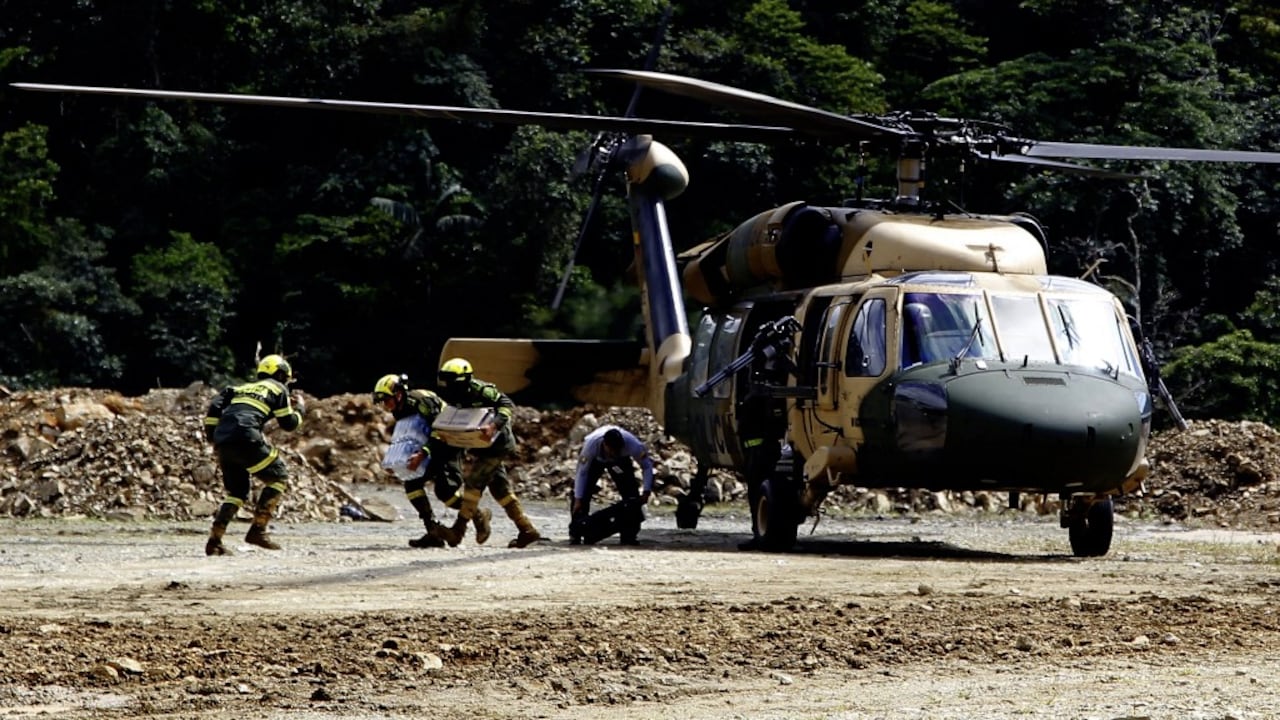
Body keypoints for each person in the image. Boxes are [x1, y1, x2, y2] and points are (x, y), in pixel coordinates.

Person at [434, 357, 541, 548]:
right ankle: (527, 530)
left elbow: (507, 405)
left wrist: (494, 425)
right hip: (481, 446)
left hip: (497, 445)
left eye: (452, 382)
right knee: (501, 490)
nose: (448, 386)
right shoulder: (454, 395)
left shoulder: (482, 390)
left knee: (474, 483)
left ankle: (458, 531)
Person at [202, 354, 304, 555]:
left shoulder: (238, 388)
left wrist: (213, 437)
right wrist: (300, 408)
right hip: (247, 437)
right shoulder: (278, 388)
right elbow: (289, 424)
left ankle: (215, 540)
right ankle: (258, 530)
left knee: (237, 492)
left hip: (224, 441)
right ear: (282, 374)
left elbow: (215, 406)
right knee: (278, 477)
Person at [373, 373, 488, 549]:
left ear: (398, 394)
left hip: (449, 443)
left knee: (446, 491)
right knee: (411, 484)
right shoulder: (399, 409)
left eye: (386, 400)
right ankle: (433, 532)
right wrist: (396, 461)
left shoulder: (421, 401)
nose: (386, 406)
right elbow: (408, 436)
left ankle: (478, 515)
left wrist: (422, 454)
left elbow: (439, 430)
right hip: (428, 447)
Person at [569, 425, 655, 546]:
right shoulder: (591, 446)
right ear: (604, 444)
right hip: (596, 460)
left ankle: (629, 535)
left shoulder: (633, 445)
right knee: (582, 495)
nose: (613, 453)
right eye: (611, 450)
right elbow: (582, 473)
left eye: (616, 450)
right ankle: (576, 533)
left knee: (631, 495)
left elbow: (647, 466)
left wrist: (646, 491)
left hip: (620, 461)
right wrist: (578, 499)